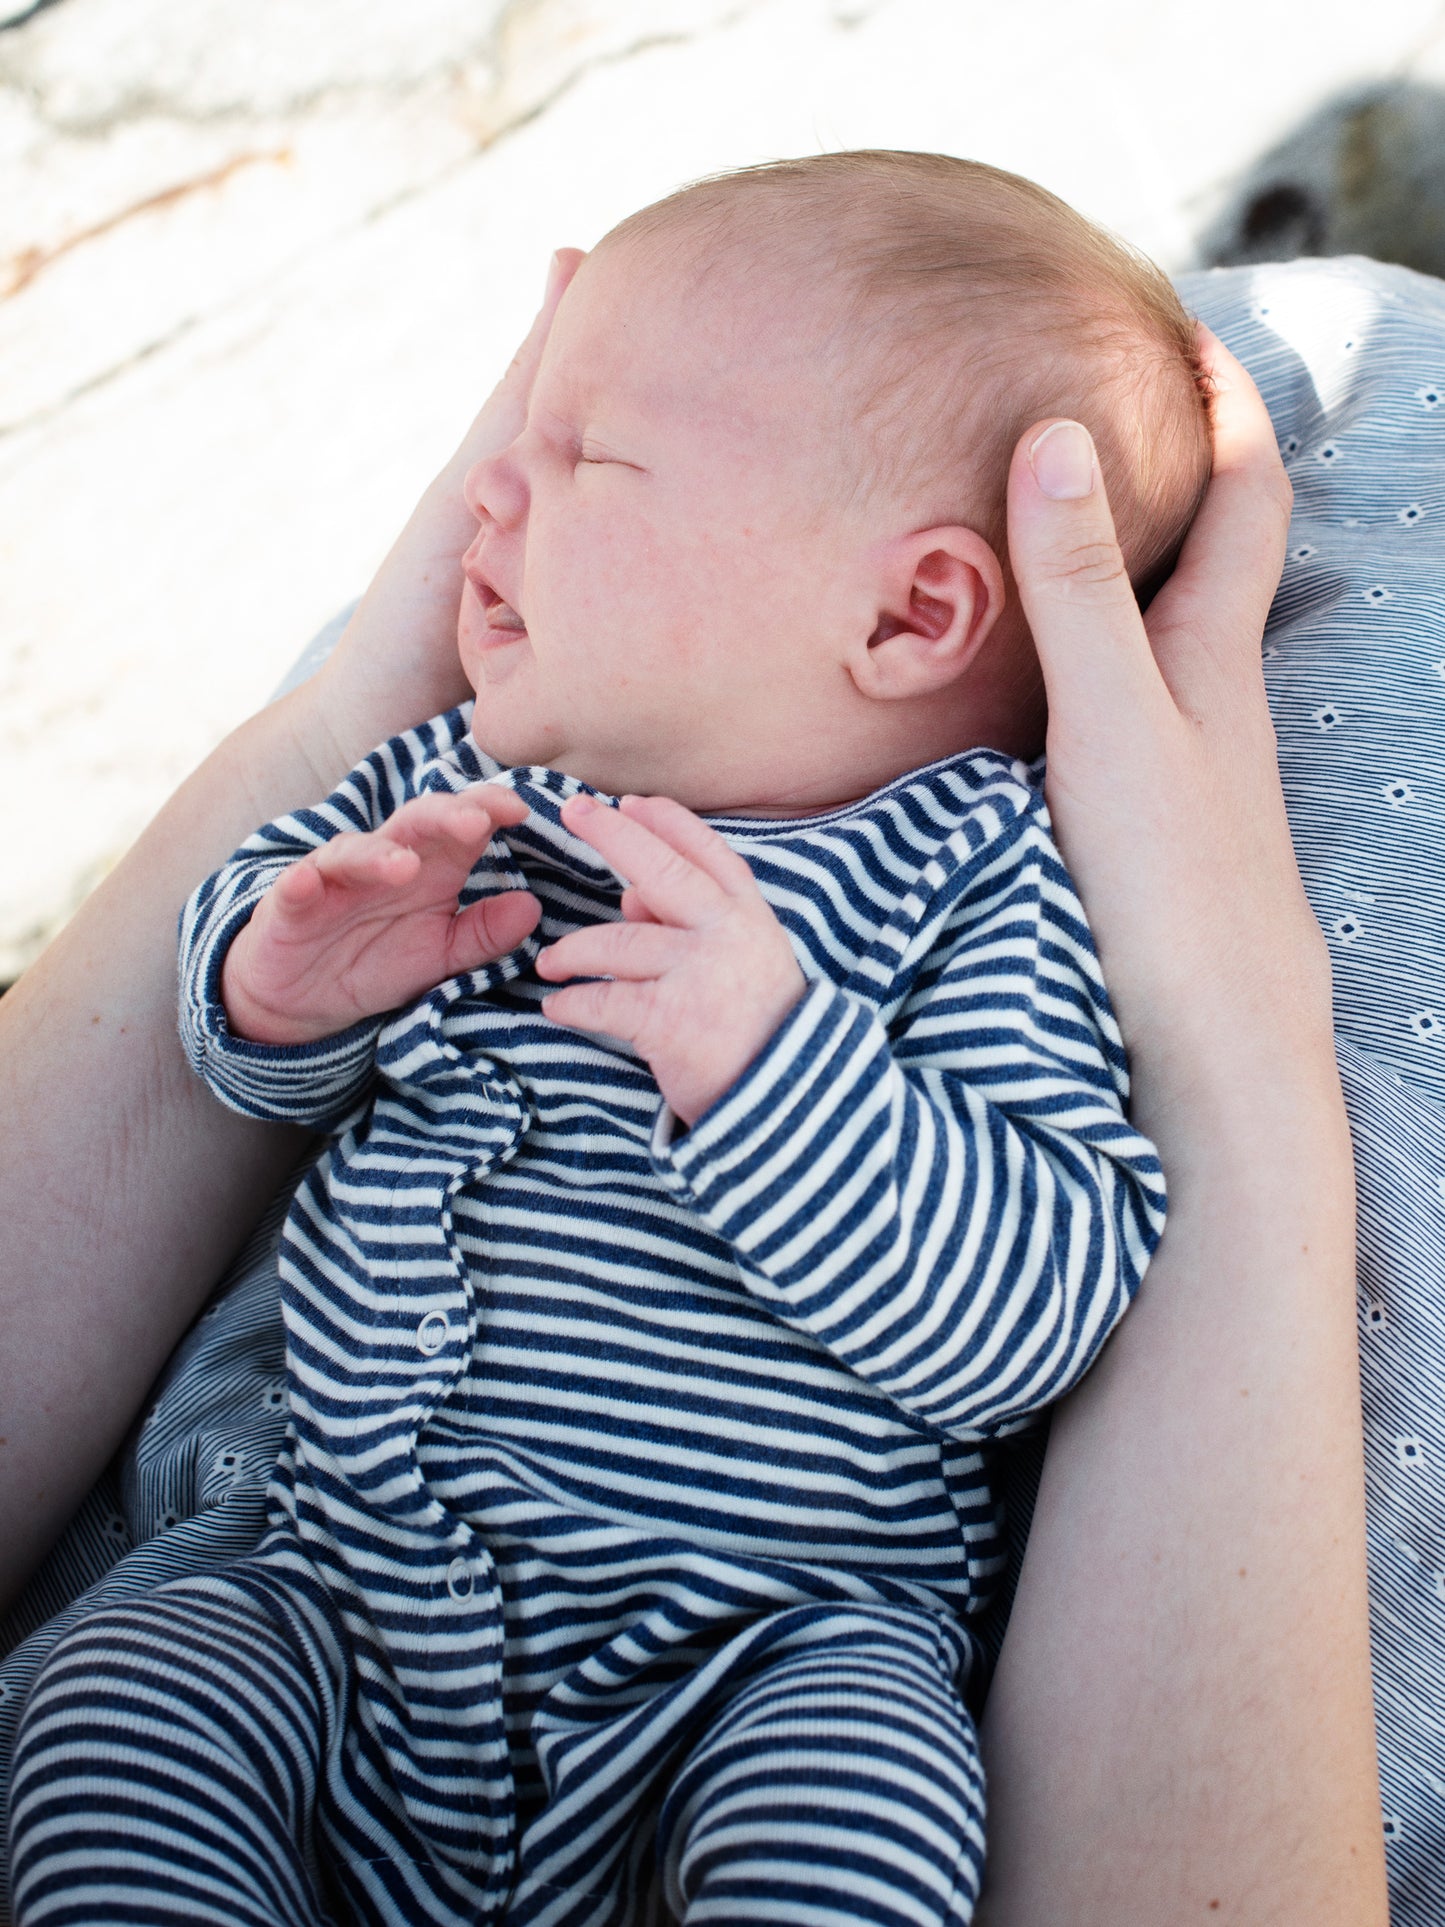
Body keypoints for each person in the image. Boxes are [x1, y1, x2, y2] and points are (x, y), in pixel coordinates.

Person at [0, 188, 1386, 1927]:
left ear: (905, 618)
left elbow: (1040, 1307)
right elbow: (245, 1052)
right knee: (116, 1701)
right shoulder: (475, 787)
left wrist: (778, 1069)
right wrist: (277, 989)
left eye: (588, 458)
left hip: (745, 1655)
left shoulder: (965, 879)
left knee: (874, 1803)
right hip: (338, 1584)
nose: (490, 488)